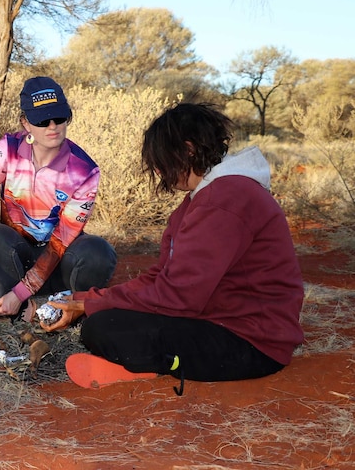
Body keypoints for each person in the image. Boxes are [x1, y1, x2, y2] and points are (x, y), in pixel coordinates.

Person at [45, 103, 305, 391]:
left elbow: (178, 297)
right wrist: (85, 299)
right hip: (223, 322)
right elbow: (159, 278)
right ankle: (144, 362)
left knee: (104, 327)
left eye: (161, 159)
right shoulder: (204, 198)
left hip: (252, 344)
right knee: (105, 318)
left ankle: (152, 368)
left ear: (188, 149)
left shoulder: (224, 199)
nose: (158, 169)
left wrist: (90, 305)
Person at [0, 76, 117, 318]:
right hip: (19, 255)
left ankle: (69, 308)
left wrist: (22, 291)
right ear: (25, 123)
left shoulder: (84, 170)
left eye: (60, 117)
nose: (53, 126)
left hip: (60, 260)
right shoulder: (9, 148)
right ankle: (17, 304)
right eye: (43, 120)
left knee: (98, 252)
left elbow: (61, 242)